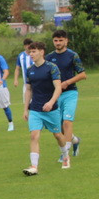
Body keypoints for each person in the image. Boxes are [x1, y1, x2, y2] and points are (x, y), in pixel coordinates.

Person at [21, 41, 66, 175]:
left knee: (58, 135)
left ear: (41, 52)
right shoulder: (30, 70)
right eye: (30, 52)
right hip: (35, 109)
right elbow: (28, 90)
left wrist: (51, 102)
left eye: (34, 51)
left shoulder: (52, 68)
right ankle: (34, 166)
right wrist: (25, 109)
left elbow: (58, 87)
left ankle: (65, 156)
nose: (31, 54)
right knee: (34, 136)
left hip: (51, 109)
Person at [45, 29, 86, 161]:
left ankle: (65, 154)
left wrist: (67, 82)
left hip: (70, 93)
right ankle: (75, 140)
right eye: (56, 40)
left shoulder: (72, 55)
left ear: (66, 41)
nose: (58, 43)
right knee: (60, 127)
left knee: (67, 122)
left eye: (61, 40)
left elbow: (82, 74)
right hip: (55, 95)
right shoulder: (49, 58)